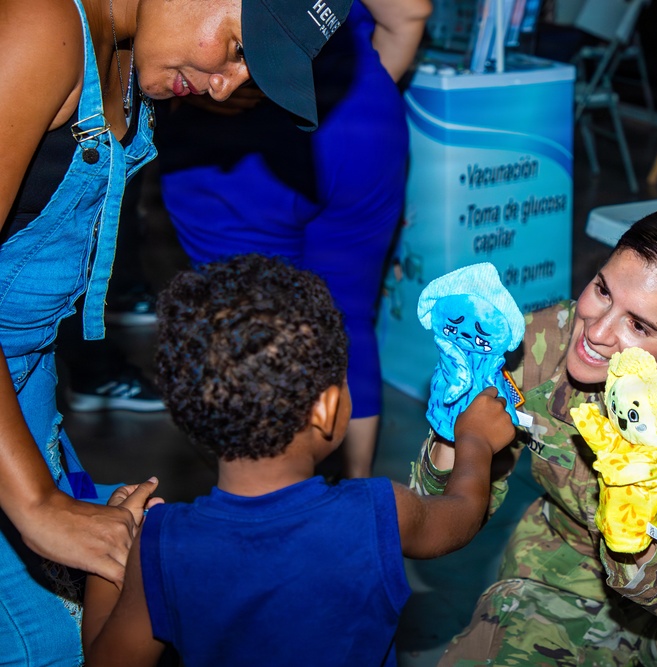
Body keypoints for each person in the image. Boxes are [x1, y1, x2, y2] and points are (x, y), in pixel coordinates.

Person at [0, 0, 350, 661]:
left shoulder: (129, 50)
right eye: (240, 49)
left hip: (25, 380)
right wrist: (38, 503)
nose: (227, 86)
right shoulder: (41, 28)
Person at [81, 254, 516, 666]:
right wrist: (474, 440)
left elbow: (107, 660)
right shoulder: (376, 512)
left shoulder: (163, 544)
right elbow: (461, 515)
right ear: (326, 410)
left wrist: (114, 545)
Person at [411, 207, 657, 665]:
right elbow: (436, 516)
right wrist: (453, 425)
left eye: (639, 325)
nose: (596, 330)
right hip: (564, 575)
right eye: (603, 290)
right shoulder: (540, 344)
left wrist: (637, 542)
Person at [153, 0, 431, 479]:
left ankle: (264, 509)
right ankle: (356, 495)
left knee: (247, 332)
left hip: (235, 138)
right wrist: (355, 93)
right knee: (348, 317)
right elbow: (409, 13)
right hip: (361, 120)